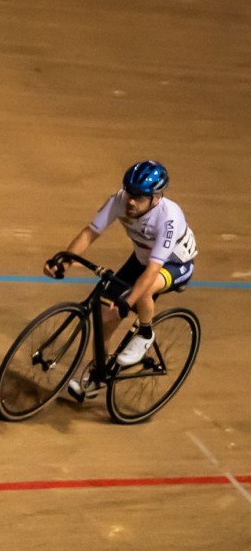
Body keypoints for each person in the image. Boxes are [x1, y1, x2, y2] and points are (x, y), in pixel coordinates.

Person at [45, 160, 198, 394]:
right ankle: (99, 375)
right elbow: (89, 233)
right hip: (142, 259)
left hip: (174, 264)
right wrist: (63, 261)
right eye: (129, 192)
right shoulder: (120, 201)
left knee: (142, 291)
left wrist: (128, 302)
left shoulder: (169, 219)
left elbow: (152, 271)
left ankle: (145, 332)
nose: (131, 201)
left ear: (156, 197)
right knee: (105, 321)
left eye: (139, 196)